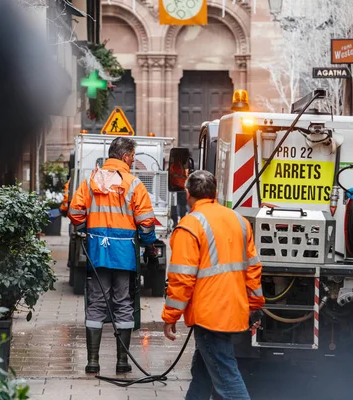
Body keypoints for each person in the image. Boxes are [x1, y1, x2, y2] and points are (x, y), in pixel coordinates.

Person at [161, 170, 264, 400]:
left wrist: (170, 317)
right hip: (233, 310)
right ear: (215, 193)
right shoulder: (239, 221)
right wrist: (254, 306)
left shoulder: (190, 226)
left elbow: (182, 278)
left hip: (209, 315)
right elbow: (253, 268)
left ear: (187, 194)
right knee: (203, 374)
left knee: (227, 379)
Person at [68, 137, 157, 374]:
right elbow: (146, 222)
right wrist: (149, 246)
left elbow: (74, 213)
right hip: (124, 254)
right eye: (133, 156)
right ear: (126, 156)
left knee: (96, 303)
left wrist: (89, 227)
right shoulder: (134, 184)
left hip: (98, 252)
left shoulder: (90, 182)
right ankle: (122, 361)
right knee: (123, 303)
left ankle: (93, 362)